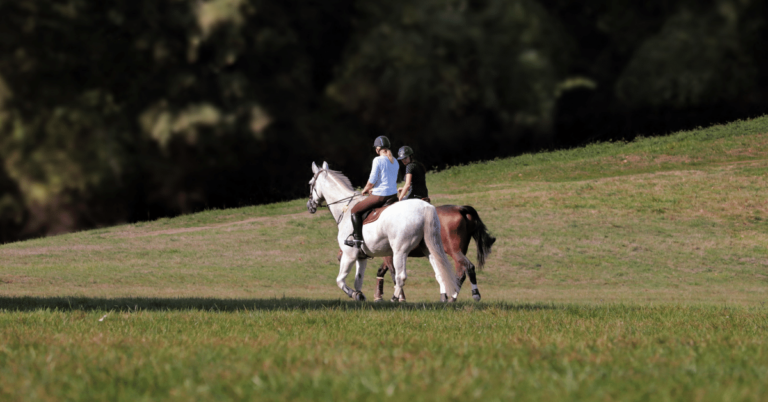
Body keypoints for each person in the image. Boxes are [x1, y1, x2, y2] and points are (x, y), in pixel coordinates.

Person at [344, 136, 399, 248]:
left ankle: (358, 240)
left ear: (378, 148)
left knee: (355, 211)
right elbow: (389, 179)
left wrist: (365, 189)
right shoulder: (395, 161)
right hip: (393, 195)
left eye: (375, 148)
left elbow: (372, 181)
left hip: (381, 196)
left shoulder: (377, 160)